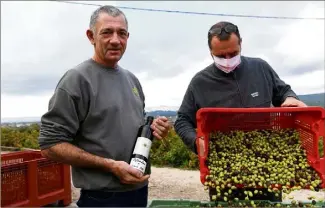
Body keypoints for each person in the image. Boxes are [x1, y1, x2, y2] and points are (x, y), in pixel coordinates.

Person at [38, 5, 170, 207]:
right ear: (91, 36)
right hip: (101, 198)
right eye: (107, 32)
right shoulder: (77, 80)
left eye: (122, 33)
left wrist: (153, 130)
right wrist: (110, 166)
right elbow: (50, 145)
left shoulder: (132, 80)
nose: (116, 40)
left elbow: (125, 131)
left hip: (138, 192)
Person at [174, 21, 307, 154]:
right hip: (223, 154)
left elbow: (283, 91)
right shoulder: (199, 83)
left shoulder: (260, 68)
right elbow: (182, 120)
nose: (227, 60)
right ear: (211, 52)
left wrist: (289, 97)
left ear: (241, 44)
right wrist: (195, 141)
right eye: (220, 56)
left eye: (233, 54)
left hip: (266, 150)